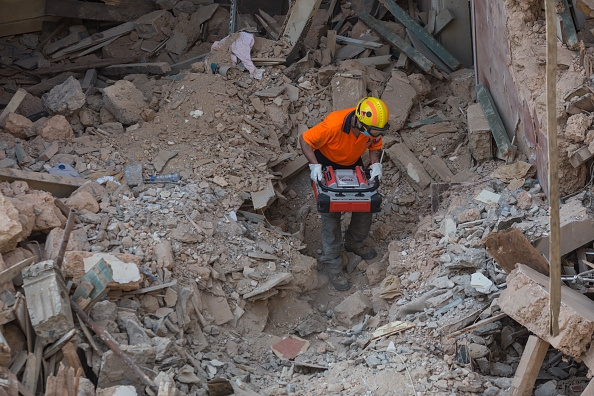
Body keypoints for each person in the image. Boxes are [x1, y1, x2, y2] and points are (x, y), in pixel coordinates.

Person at [299, 97, 389, 291]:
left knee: (365, 203)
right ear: (358, 120)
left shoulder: (371, 126)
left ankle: (354, 242)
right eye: (371, 131)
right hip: (327, 161)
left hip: (352, 161)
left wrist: (375, 164)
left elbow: (375, 145)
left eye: (376, 132)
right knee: (331, 212)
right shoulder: (333, 124)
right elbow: (305, 139)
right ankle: (332, 263)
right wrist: (314, 165)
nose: (373, 135)